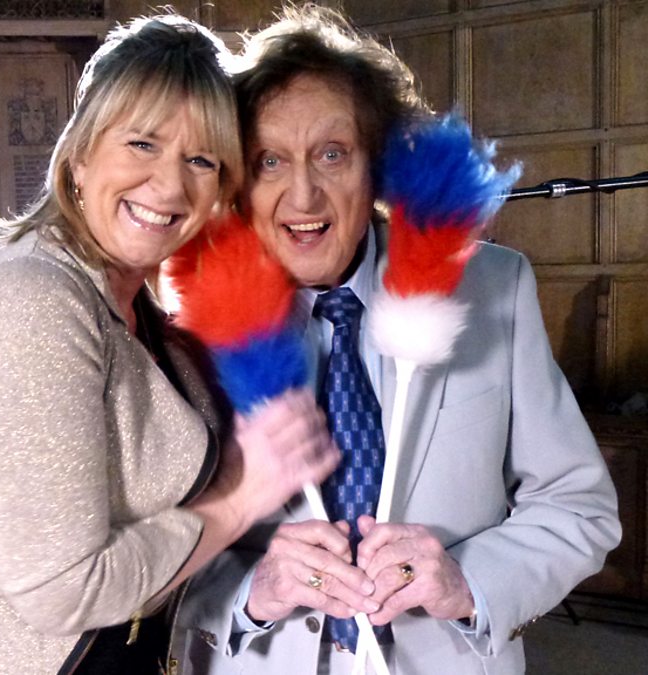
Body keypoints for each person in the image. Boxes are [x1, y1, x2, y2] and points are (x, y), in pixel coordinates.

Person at [0, 14, 339, 675]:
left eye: (201, 159)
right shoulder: (32, 300)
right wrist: (239, 498)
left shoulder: (142, 312)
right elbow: (64, 591)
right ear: (81, 152)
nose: (170, 186)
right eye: (142, 143)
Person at [171, 6, 621, 675]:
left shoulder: (494, 289)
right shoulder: (189, 330)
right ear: (237, 183)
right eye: (269, 161)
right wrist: (250, 593)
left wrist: (467, 583)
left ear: (376, 166)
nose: (304, 195)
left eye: (332, 154)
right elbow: (151, 557)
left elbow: (579, 505)